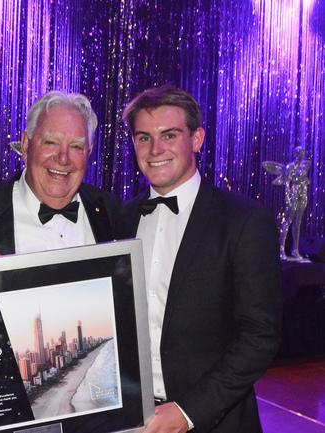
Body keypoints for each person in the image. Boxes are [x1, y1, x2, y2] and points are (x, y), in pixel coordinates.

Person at [117, 85, 282, 433]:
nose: (155, 149)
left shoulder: (244, 220)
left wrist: (189, 412)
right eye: (143, 138)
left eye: (169, 135)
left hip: (212, 421)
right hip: (131, 418)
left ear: (196, 139)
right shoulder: (122, 218)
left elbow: (259, 336)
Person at [0, 91, 120, 254]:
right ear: (25, 145)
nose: (63, 158)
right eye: (51, 142)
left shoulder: (111, 212)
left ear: (88, 152)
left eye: (76, 146)